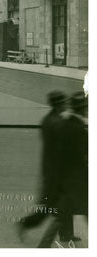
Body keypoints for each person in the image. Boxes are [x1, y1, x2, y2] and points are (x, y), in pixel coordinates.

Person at [17, 90, 72, 244]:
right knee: (52, 208)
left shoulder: (51, 119)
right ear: (58, 105)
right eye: (64, 103)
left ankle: (65, 234)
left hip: (52, 169)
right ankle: (28, 226)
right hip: (55, 172)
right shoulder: (55, 122)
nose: (66, 105)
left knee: (59, 206)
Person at [36, 91, 88, 247]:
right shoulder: (58, 122)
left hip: (63, 172)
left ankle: (63, 235)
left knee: (66, 208)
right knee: (69, 208)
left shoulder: (59, 120)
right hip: (65, 173)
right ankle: (47, 243)